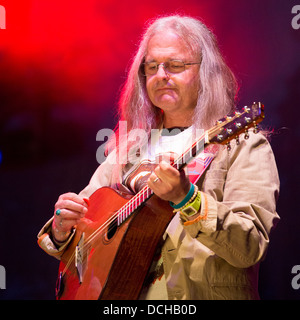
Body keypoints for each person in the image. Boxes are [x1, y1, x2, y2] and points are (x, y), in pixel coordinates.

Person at [37, 15, 280, 300]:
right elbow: (85, 238)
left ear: (206, 72)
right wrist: (61, 228)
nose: (161, 74)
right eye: (152, 67)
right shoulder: (127, 150)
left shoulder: (242, 145)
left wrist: (188, 199)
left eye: (175, 65)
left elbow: (248, 246)